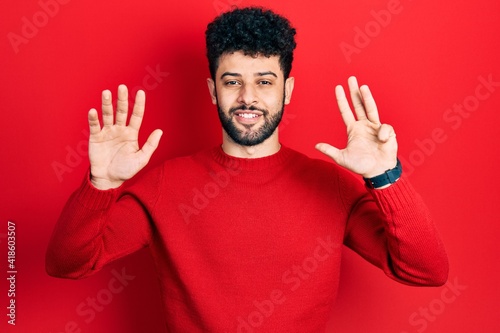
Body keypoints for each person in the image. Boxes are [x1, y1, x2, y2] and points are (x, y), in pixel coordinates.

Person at [46, 6, 448, 332]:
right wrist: (100, 184)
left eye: (265, 81)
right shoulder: (167, 185)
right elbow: (67, 264)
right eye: (233, 82)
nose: (248, 98)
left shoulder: (330, 186)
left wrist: (386, 178)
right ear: (212, 90)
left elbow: (428, 271)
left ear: (287, 89)